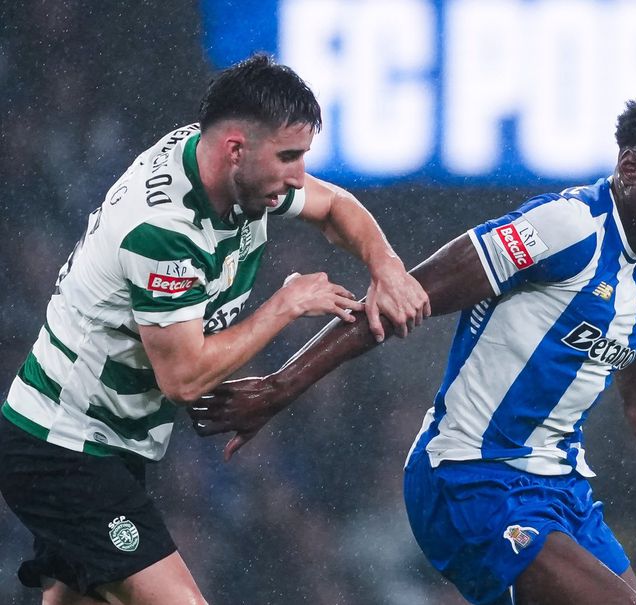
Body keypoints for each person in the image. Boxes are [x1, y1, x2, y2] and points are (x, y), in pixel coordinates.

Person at [188, 88, 636, 605]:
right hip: (468, 478)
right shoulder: (565, 228)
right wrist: (280, 387)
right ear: (632, 165)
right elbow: (403, 296)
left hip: (562, 491)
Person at [0, 53, 429, 605]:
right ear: (235, 149)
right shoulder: (163, 229)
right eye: (289, 156)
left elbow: (334, 207)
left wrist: (387, 267)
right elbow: (182, 378)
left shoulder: (234, 170)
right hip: (63, 446)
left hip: (109, 443)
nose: (299, 176)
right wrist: (284, 305)